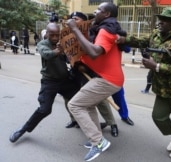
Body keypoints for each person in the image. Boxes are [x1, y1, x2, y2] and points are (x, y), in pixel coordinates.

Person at [117, 7, 171, 160]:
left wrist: (156, 66)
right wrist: (124, 39)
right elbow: (142, 41)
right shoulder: (157, 34)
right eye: (160, 18)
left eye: (165, 19)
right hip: (163, 87)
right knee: (158, 117)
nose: (160, 22)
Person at [66, 2, 125, 161]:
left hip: (108, 80)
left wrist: (75, 29)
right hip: (106, 77)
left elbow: (93, 52)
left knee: (75, 105)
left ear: (106, 14)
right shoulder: (103, 28)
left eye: (99, 9)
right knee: (88, 105)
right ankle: (95, 138)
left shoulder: (105, 30)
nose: (95, 11)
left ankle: (99, 142)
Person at [9, 23, 81, 143]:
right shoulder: (42, 44)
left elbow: (69, 59)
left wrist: (68, 54)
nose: (54, 37)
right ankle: (23, 129)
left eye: (57, 35)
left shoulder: (62, 42)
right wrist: (60, 50)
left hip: (65, 80)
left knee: (80, 100)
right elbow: (47, 55)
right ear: (47, 33)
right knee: (44, 110)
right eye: (52, 35)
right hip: (50, 82)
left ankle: (86, 125)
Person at [64, 11, 119, 137]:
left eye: (76, 19)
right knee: (70, 98)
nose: (72, 20)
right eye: (71, 18)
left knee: (100, 101)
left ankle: (112, 124)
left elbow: (96, 53)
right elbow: (68, 55)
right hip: (76, 72)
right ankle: (76, 120)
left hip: (91, 73)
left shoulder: (93, 33)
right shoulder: (69, 35)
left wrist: (85, 66)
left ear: (83, 22)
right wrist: (74, 62)